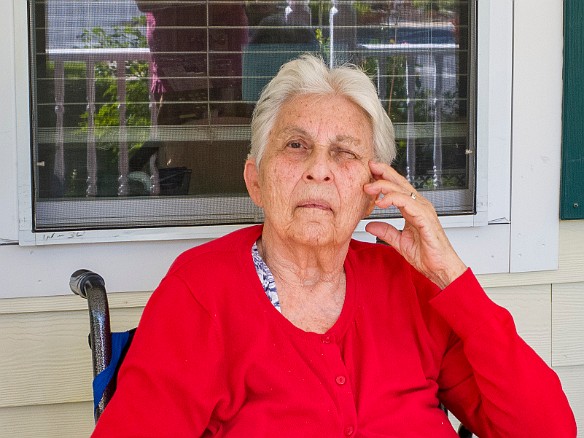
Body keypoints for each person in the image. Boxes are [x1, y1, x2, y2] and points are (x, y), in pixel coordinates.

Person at [92, 54, 576, 437]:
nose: (318, 169)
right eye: (296, 145)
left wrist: (452, 278)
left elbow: (546, 430)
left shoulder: (410, 285)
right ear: (255, 181)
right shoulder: (202, 292)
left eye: (344, 152)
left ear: (373, 191)